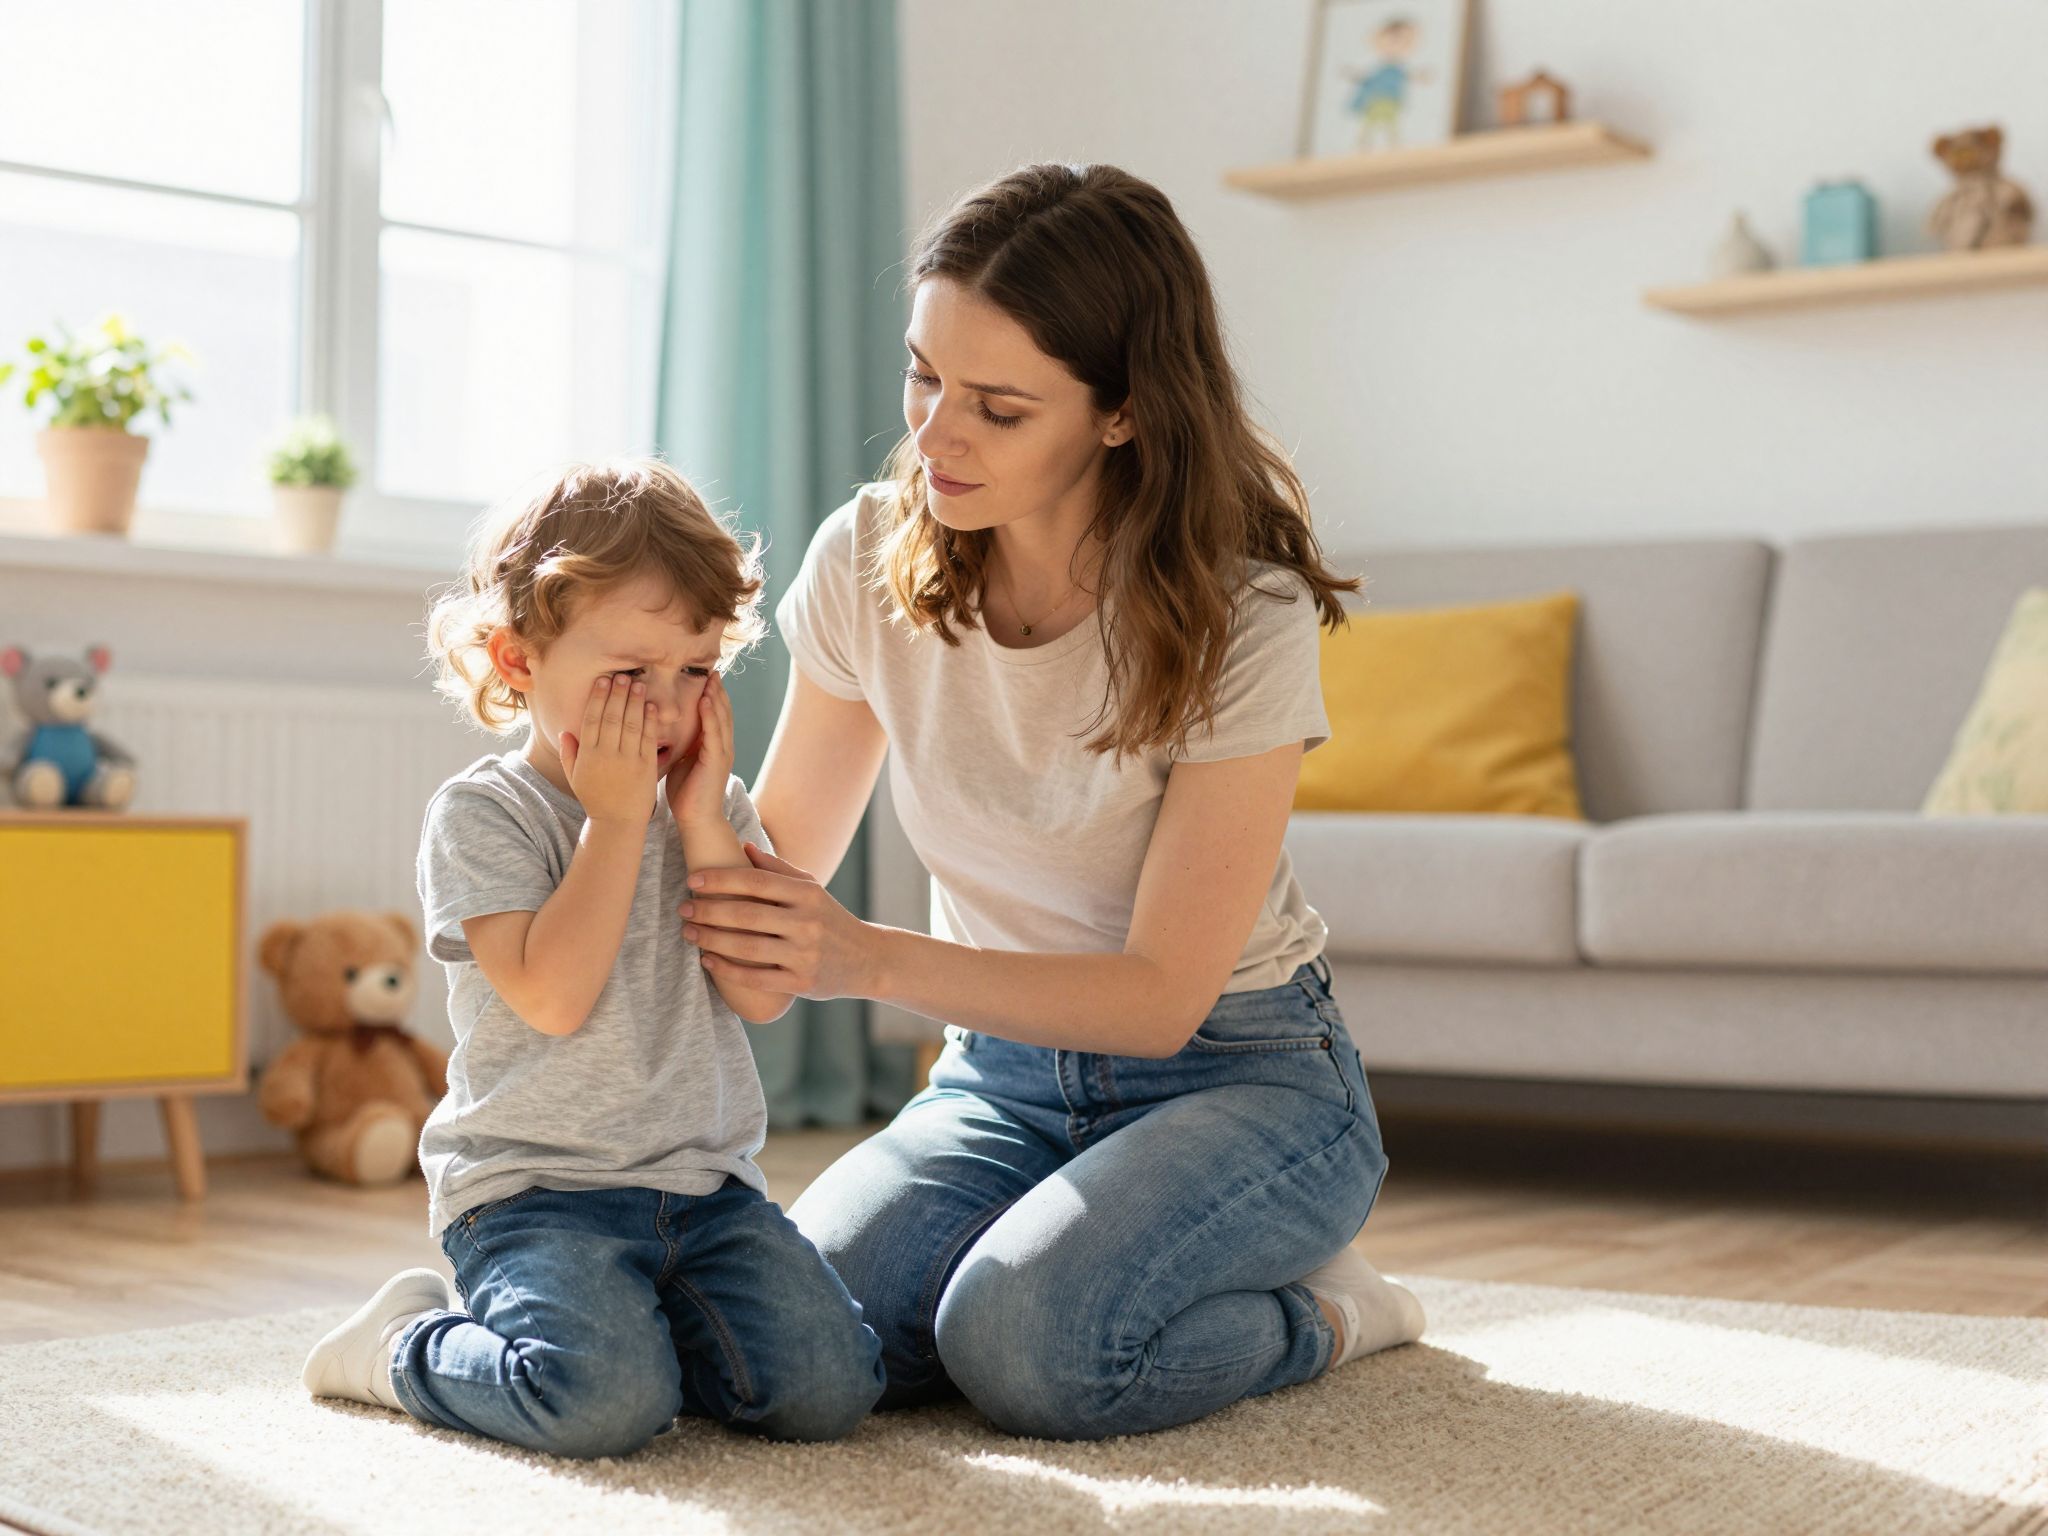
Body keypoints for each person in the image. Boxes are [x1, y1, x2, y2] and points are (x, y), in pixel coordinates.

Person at [674, 163, 1426, 1442]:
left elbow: (1156, 997)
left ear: (1121, 414)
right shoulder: (867, 561)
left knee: (1029, 1348)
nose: (932, 436)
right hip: (1000, 1083)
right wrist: (688, 801)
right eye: (922, 376)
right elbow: (780, 864)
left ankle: (1334, 1314)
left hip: (1239, 1078)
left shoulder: (1241, 614)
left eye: (998, 408)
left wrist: (862, 961)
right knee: (780, 1339)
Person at [301, 459, 884, 1459]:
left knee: (831, 1389)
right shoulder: (485, 815)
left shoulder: (713, 804)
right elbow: (553, 998)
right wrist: (615, 825)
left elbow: (759, 996)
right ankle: (400, 1347)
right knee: (599, 1404)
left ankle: (658, 1336)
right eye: (628, 674)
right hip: (534, 1199)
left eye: (695, 672)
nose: (664, 708)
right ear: (518, 660)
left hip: (704, 1190)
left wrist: (700, 825)